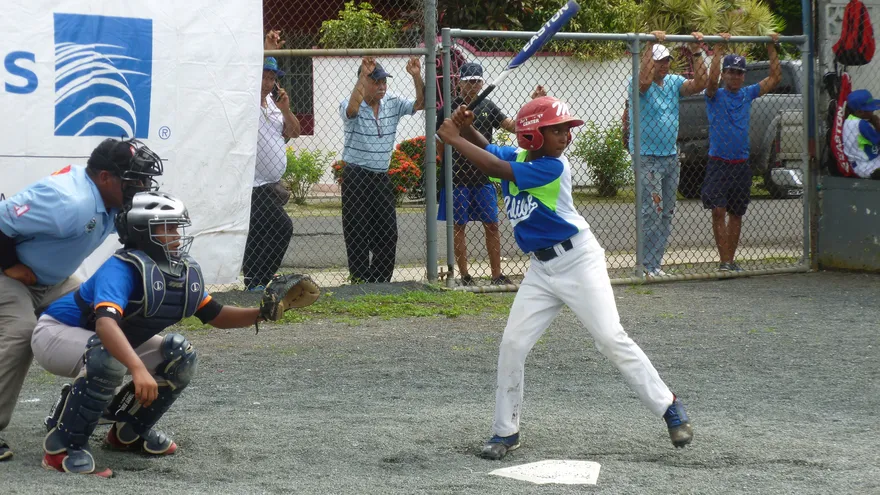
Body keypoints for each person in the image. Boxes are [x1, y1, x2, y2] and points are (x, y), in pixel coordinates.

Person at [437, 96, 693, 461]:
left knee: (609, 337)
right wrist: (465, 128)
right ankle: (505, 432)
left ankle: (669, 406)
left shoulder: (553, 167)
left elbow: (494, 165)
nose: (564, 136)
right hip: (542, 270)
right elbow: (490, 149)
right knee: (513, 343)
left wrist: (453, 138)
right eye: (554, 130)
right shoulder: (521, 156)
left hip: (578, 261)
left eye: (565, 130)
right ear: (530, 136)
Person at [32, 192, 279, 477]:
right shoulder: (122, 267)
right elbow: (105, 326)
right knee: (109, 356)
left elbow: (217, 315)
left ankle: (129, 432)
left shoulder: (178, 271)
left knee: (179, 358)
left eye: (177, 226)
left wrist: (263, 313)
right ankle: (63, 449)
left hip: (99, 341)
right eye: (168, 227)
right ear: (143, 232)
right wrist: (137, 368)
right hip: (55, 334)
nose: (177, 234)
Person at [0, 138, 162, 462]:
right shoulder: (68, 201)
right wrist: (8, 264)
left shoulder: (109, 200)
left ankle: (82, 406)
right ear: (105, 177)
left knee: (109, 319)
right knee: (21, 331)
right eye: (134, 180)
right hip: (8, 274)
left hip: (53, 280)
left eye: (144, 180)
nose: (141, 187)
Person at [437, 62, 545, 286]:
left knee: (492, 224)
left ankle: (497, 274)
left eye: (478, 81)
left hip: (483, 176)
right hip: (457, 177)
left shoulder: (488, 105)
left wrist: (534, 105)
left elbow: (513, 126)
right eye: (469, 81)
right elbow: (439, 140)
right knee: (458, 226)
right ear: (459, 82)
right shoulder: (450, 109)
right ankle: (465, 275)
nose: (474, 85)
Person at [628, 31, 708, 277]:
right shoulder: (639, 84)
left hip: (670, 157)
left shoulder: (673, 82)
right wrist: (651, 45)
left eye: (666, 60)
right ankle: (643, 266)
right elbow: (643, 81)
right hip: (647, 156)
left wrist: (696, 51)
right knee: (650, 211)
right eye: (658, 60)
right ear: (649, 60)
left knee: (666, 212)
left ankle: (654, 265)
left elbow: (700, 84)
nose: (663, 65)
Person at [339, 56, 425, 284]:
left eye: (383, 82)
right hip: (356, 175)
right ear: (364, 82)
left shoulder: (393, 103)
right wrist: (361, 77)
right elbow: (352, 109)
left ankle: (380, 281)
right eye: (376, 81)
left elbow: (420, 103)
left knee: (387, 232)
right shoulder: (350, 103)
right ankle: (359, 280)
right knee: (357, 230)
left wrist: (416, 76)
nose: (381, 86)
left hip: (380, 176)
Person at [704, 33, 781, 272]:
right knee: (718, 211)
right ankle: (724, 260)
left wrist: (770, 47)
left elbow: (775, 78)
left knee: (736, 213)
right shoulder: (715, 95)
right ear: (725, 73)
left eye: (739, 73)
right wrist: (718, 50)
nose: (735, 76)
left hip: (740, 164)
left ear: (743, 76)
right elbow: (710, 81)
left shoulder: (747, 94)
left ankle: (728, 261)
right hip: (718, 163)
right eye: (731, 72)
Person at [242, 29, 301, 291]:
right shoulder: (246, 102)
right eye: (264, 76)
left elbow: (294, 132)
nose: (268, 83)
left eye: (272, 78)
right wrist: (267, 47)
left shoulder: (275, 108)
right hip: (253, 184)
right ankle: (259, 280)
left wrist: (286, 109)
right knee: (282, 227)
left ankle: (253, 282)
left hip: (271, 184)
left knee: (261, 232)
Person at [842, 89, 880, 180]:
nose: (873, 112)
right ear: (859, 112)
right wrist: (877, 123)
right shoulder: (861, 125)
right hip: (867, 166)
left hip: (858, 163)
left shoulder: (849, 120)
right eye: (870, 110)